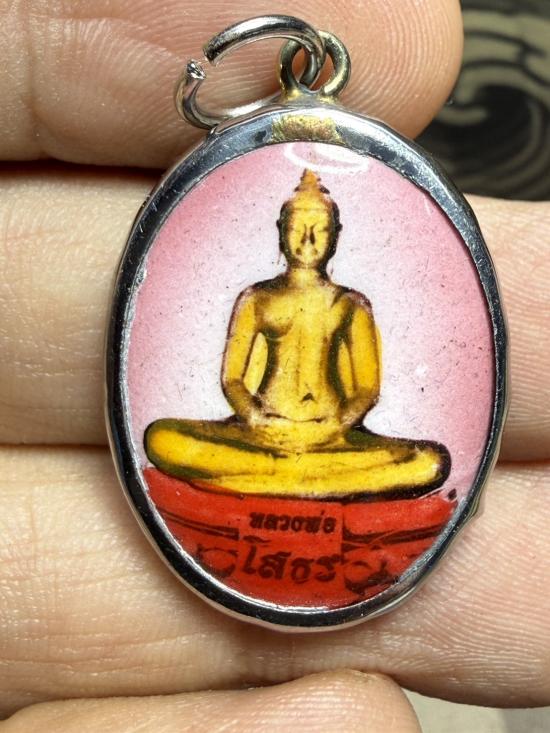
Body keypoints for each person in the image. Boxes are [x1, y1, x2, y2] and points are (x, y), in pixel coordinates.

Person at [0, 1, 549, 731]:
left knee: (426, 460)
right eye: (299, 227)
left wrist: (336, 421)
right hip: (257, 435)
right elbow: (235, 377)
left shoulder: (349, 305)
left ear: (333, 235)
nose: (308, 238)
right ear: (283, 230)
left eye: (320, 228)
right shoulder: (257, 300)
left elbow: (364, 388)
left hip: (332, 441)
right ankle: (278, 470)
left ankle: (300, 474)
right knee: (164, 438)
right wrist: (254, 412)